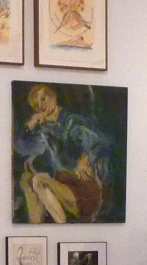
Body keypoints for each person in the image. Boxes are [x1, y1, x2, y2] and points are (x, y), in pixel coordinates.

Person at [15, 83, 106, 224]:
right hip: (62, 185)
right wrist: (29, 125)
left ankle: (61, 228)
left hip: (83, 187)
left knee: (38, 180)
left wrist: (86, 157)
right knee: (26, 181)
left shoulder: (72, 121)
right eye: (35, 105)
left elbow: (101, 142)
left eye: (43, 99)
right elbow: (21, 148)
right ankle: (37, 232)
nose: (40, 106)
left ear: (53, 97)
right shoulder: (43, 129)